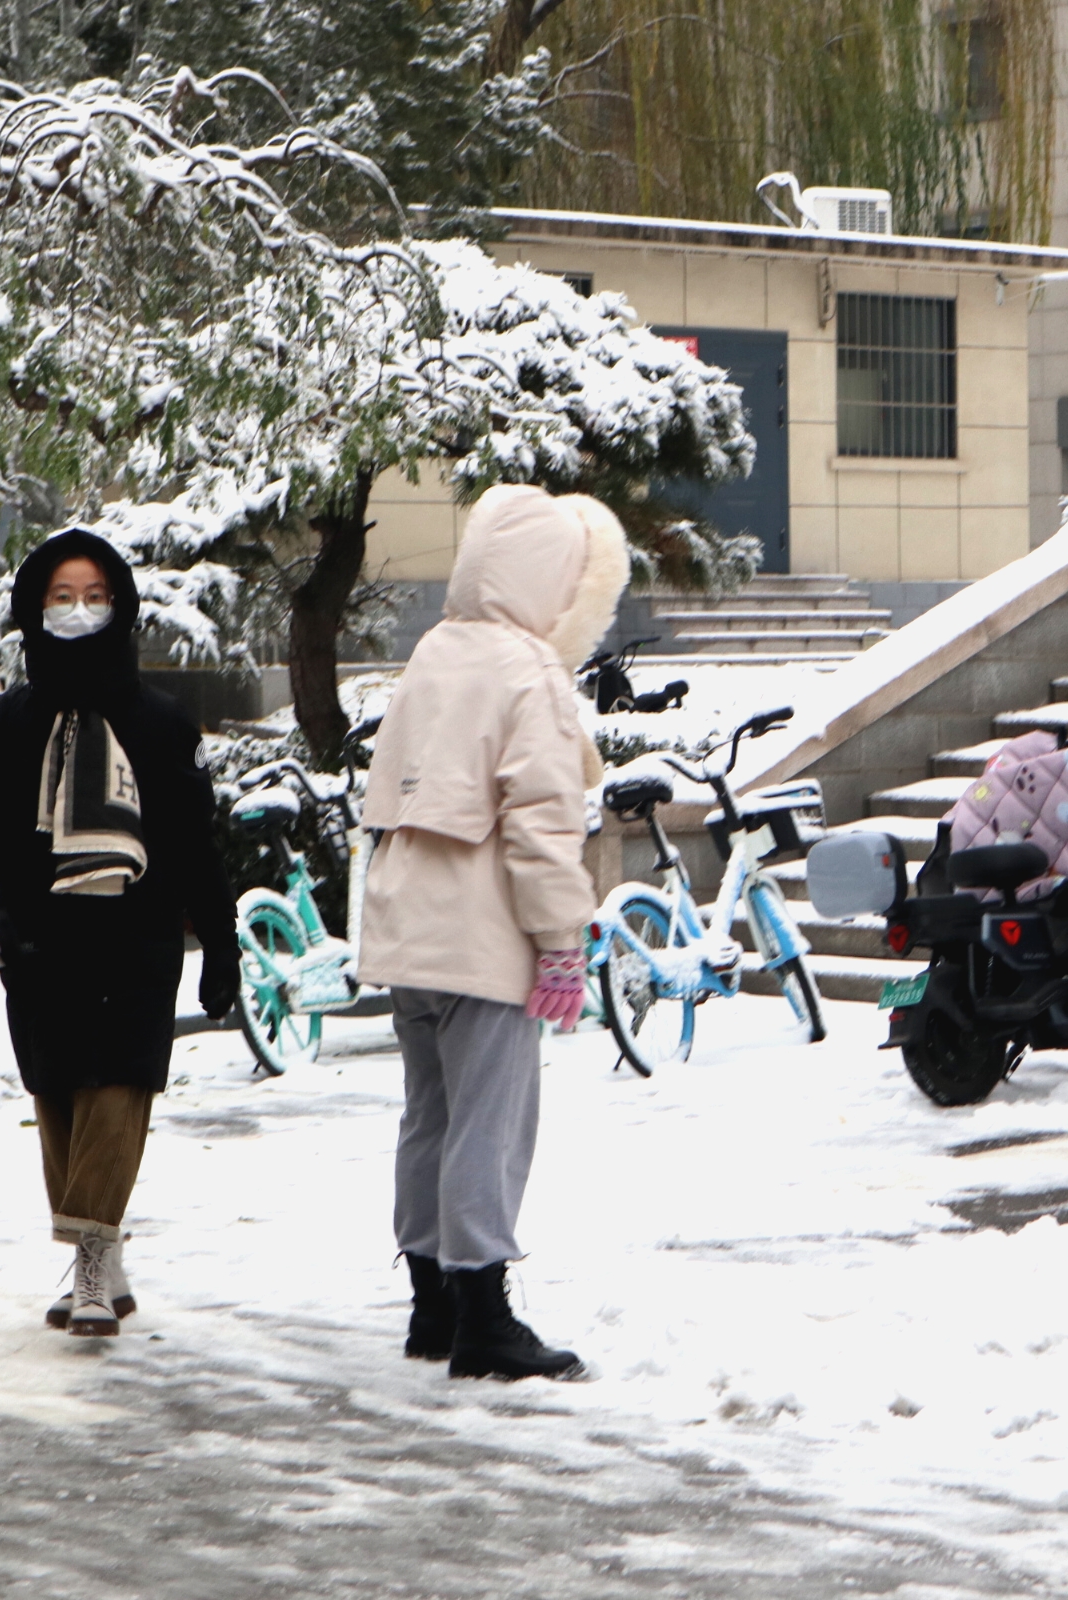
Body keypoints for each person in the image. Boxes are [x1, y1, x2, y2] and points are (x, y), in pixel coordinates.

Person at [359, 485, 628, 1382]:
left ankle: (430, 1305)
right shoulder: (530, 673)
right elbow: (543, 826)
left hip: (409, 931)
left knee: (428, 1118)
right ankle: (484, 1314)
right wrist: (562, 941)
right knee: (492, 1122)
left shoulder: (433, 653)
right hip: (486, 936)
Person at [0, 529, 238, 1336]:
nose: (79, 612)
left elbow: (191, 840)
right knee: (62, 1101)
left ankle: (86, 1266)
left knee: (119, 1091)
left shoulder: (158, 722)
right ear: (36, 611)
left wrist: (222, 943)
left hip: (136, 939)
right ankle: (103, 1254)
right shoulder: (8, 723)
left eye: (95, 597)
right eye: (62, 598)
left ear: (121, 607)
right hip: (41, 942)